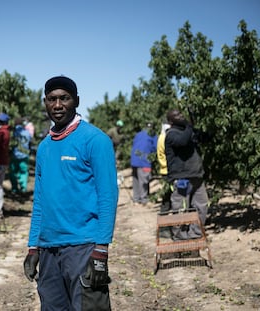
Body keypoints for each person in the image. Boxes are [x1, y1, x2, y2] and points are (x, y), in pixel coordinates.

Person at [23, 76, 118, 310]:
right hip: (48, 249)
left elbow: (108, 196)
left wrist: (101, 249)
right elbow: (40, 201)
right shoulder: (45, 147)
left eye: (64, 98)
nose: (57, 105)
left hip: (83, 247)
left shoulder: (95, 140)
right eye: (51, 99)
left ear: (76, 101)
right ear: (44, 102)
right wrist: (33, 246)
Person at [165, 109, 209, 240]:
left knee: (202, 205)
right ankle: (179, 236)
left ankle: (195, 233)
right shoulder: (171, 134)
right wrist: (189, 126)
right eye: (177, 115)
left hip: (196, 176)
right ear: (171, 121)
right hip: (182, 178)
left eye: (181, 113)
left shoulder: (189, 132)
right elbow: (182, 141)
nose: (181, 116)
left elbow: (205, 138)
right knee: (181, 208)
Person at [130, 123, 157, 206]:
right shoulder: (153, 135)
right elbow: (156, 147)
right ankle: (144, 199)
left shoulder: (138, 134)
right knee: (144, 180)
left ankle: (136, 199)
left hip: (134, 160)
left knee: (136, 180)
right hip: (144, 160)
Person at [156, 120, 172, 238]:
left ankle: (164, 227)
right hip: (168, 172)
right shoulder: (164, 138)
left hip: (165, 171)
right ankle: (163, 229)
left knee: (168, 199)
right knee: (167, 200)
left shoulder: (161, 137)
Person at [9, 117, 31, 194]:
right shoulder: (27, 132)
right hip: (24, 155)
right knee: (23, 172)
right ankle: (23, 188)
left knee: (13, 172)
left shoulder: (13, 132)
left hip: (15, 155)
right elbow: (30, 142)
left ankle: (14, 189)